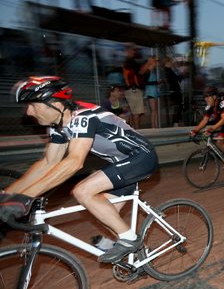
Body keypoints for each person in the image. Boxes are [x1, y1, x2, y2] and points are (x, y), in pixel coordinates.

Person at [1, 76, 159, 264]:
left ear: (55, 104)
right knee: (103, 212)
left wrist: (26, 198)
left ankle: (130, 240)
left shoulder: (84, 116)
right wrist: (9, 195)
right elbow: (48, 162)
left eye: (33, 105)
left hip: (142, 157)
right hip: (122, 163)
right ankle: (142, 256)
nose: (28, 112)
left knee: (82, 191)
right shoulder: (59, 125)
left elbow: (74, 162)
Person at [190, 86, 224, 169]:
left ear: (214, 97)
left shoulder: (223, 103)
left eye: (208, 97)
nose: (206, 99)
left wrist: (212, 129)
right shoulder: (210, 107)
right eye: (205, 97)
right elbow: (205, 120)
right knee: (219, 142)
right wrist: (195, 130)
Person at [122, 44, 145, 129]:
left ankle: (134, 130)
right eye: (131, 50)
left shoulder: (128, 62)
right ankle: (137, 132)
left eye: (134, 50)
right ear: (127, 52)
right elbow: (140, 72)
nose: (133, 52)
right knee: (136, 112)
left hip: (131, 89)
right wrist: (148, 64)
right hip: (133, 89)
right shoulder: (130, 62)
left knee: (133, 112)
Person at [141, 56, 161, 129]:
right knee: (153, 110)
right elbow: (145, 83)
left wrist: (157, 83)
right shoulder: (148, 71)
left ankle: (155, 125)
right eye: (155, 62)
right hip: (150, 92)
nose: (156, 64)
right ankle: (153, 125)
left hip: (153, 91)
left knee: (155, 110)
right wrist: (156, 82)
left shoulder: (152, 71)